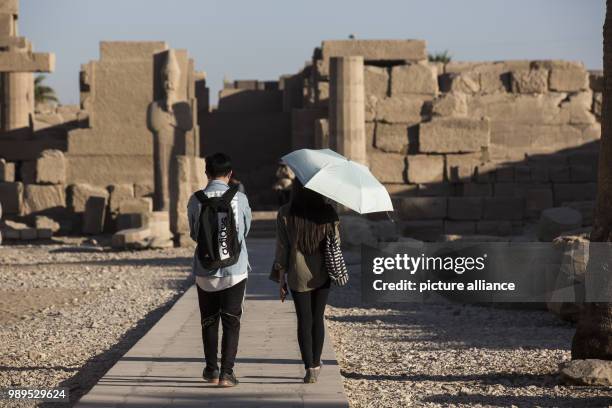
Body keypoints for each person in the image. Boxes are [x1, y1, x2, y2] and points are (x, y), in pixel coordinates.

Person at [187, 152, 252, 387]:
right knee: (232, 320)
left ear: (206, 173)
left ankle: (211, 370)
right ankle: (227, 373)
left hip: (205, 269)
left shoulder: (196, 199)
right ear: (230, 174)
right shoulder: (240, 198)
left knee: (209, 320)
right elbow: (244, 231)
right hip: (235, 268)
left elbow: (195, 233)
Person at [269, 179, 340, 383]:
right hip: (323, 272)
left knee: (303, 320)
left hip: (296, 272)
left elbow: (282, 249)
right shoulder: (329, 212)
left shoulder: (285, 212)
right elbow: (337, 244)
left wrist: (281, 279)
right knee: (318, 318)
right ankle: (316, 363)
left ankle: (308, 367)